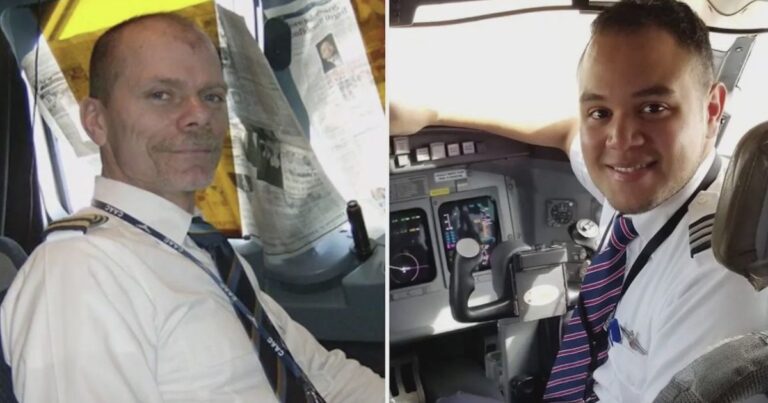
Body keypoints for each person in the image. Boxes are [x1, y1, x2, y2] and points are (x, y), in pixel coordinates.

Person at [390, 0, 768, 401]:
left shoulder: (715, 275)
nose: (620, 140)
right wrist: (431, 110)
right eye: (601, 111)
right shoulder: (639, 186)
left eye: (653, 108)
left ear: (712, 110)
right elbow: (568, 130)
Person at [0, 13, 382, 403]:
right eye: (161, 95)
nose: (200, 115)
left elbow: (320, 372)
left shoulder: (204, 251)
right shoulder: (77, 272)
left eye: (212, 96)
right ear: (96, 122)